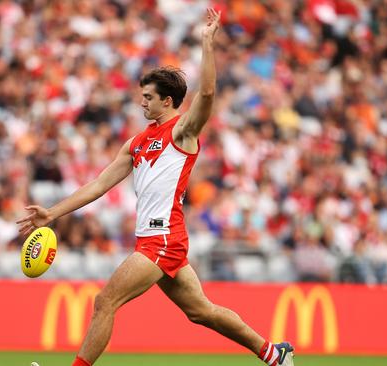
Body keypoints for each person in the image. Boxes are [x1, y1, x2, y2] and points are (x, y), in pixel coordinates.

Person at [16, 9, 294, 366]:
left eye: (148, 97)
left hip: (161, 238)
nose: (142, 102)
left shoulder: (182, 133)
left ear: (167, 101)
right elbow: (100, 183)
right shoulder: (136, 143)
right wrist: (52, 213)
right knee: (202, 312)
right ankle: (274, 355)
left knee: (105, 302)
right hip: (158, 238)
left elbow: (207, 93)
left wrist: (207, 44)